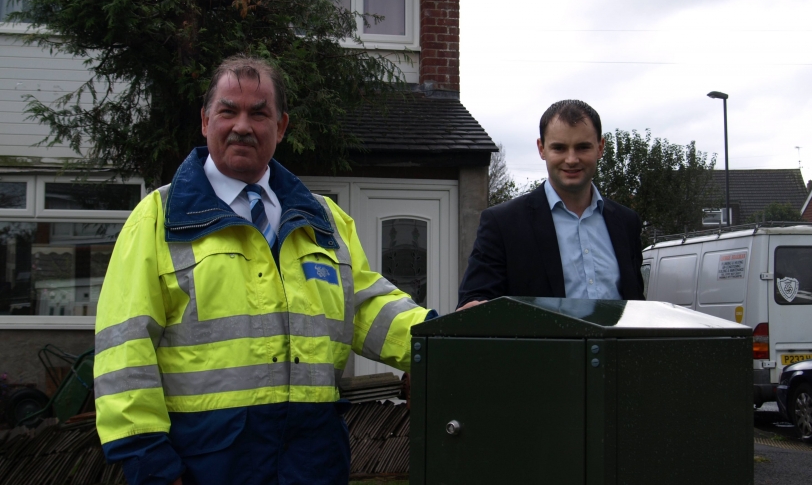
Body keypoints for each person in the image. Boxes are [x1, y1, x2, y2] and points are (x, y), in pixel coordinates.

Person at [93, 55, 435, 485]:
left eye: (259, 113)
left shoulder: (324, 221)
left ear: (281, 126)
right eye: (228, 111)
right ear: (205, 121)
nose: (242, 125)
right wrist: (150, 463)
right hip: (206, 464)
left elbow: (367, 309)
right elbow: (124, 349)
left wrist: (445, 337)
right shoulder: (158, 220)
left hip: (312, 462)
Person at [457, 99, 644, 309]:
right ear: (542, 148)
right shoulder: (503, 224)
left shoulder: (627, 223)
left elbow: (636, 305)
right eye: (559, 148)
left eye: (583, 147)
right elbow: (474, 303)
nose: (571, 159)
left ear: (600, 147)